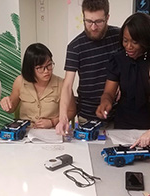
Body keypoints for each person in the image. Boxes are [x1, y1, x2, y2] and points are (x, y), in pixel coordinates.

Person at [96, 12, 150, 129]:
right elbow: (109, 92)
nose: (129, 46)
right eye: (125, 41)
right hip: (125, 123)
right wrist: (105, 102)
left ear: (147, 40)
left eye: (135, 42)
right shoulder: (118, 59)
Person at [56, 0, 121, 135]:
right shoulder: (75, 47)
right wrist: (63, 117)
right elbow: (67, 85)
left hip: (118, 115)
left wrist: (122, 83)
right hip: (87, 115)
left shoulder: (119, 37)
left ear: (107, 17)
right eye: (88, 21)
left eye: (98, 22)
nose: (93, 27)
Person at [0, 43, 76, 129]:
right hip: (26, 133)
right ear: (30, 68)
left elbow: (71, 111)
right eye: (40, 67)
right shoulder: (20, 81)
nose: (46, 71)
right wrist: (6, 104)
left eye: (49, 65)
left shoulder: (62, 84)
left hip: (51, 132)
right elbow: (12, 108)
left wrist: (52, 122)